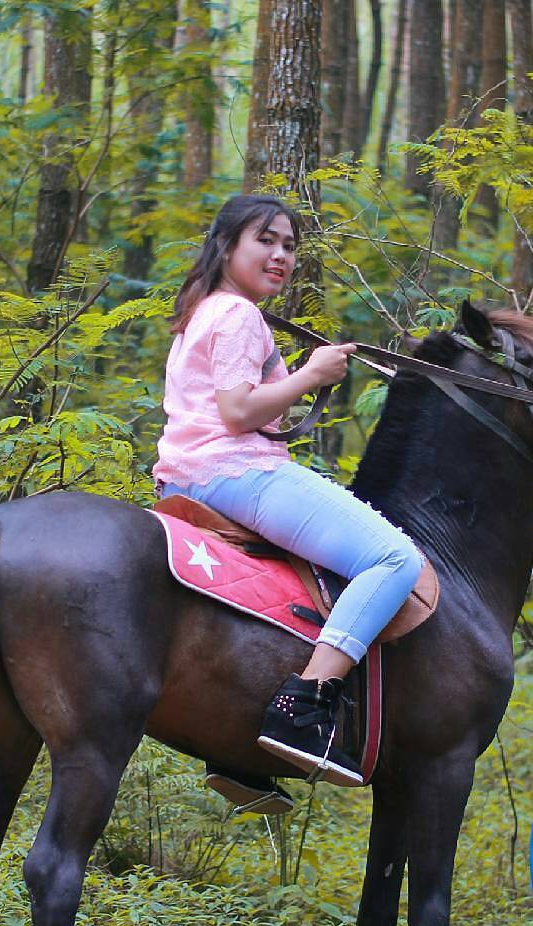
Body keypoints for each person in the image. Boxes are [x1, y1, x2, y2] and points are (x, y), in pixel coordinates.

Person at [154, 194, 423, 811]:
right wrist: (312, 375)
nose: (281, 255)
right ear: (227, 246)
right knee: (392, 560)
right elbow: (238, 411)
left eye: (290, 246)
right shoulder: (240, 315)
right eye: (265, 240)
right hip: (235, 473)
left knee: (280, 589)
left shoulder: (203, 312)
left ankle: (233, 736)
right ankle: (305, 706)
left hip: (186, 479)